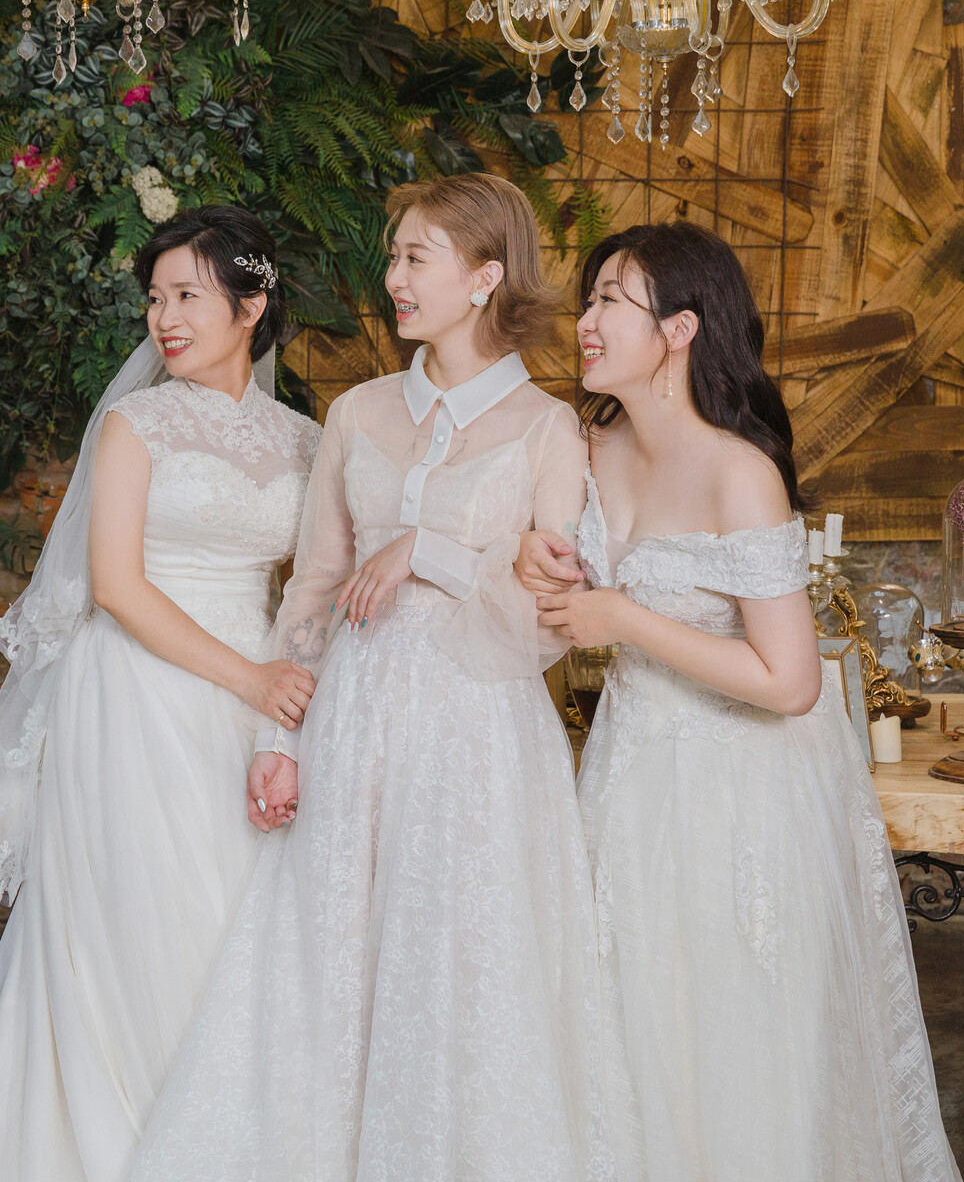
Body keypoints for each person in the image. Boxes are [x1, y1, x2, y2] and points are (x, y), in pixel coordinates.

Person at [127, 173, 609, 1182]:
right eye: (394, 255)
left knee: (463, 960)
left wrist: (429, 551)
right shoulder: (357, 412)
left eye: (415, 257)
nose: (393, 277)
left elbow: (552, 617)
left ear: (485, 277)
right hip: (356, 714)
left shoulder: (549, 429)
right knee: (334, 958)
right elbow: (313, 585)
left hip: (481, 733)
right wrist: (281, 737)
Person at [0, 206, 321, 1182]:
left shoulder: (305, 440)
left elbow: (313, 585)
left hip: (253, 698)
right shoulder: (135, 423)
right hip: (134, 687)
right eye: (156, 298)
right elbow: (116, 586)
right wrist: (252, 676)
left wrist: (278, 684)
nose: (165, 318)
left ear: (252, 305)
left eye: (188, 296)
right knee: (147, 919)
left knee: (238, 925)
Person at [525, 221, 962, 1181]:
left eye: (609, 301)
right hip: (628, 773)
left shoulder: (741, 473)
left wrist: (623, 619)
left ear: (679, 330)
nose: (585, 321)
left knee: (737, 1037)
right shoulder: (583, 445)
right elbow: (542, 587)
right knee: (628, 1023)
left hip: (742, 791)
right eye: (589, 299)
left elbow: (791, 683)